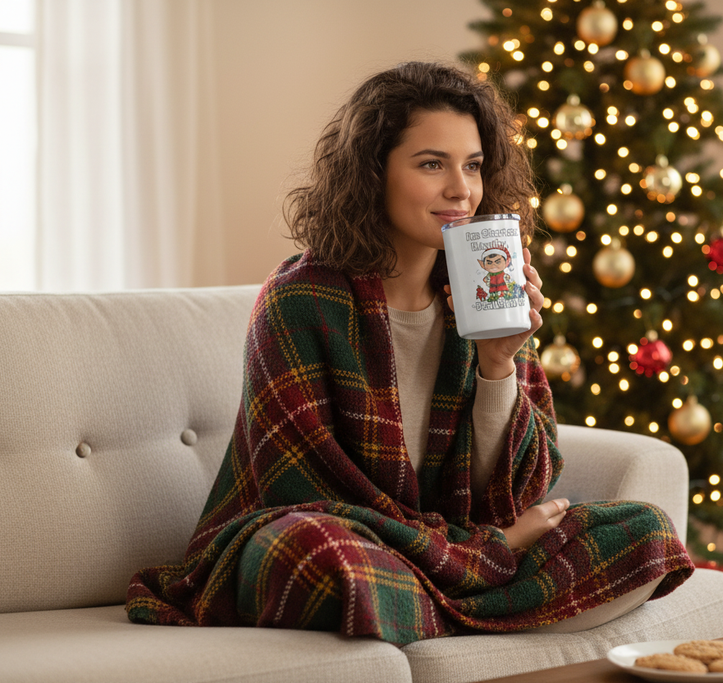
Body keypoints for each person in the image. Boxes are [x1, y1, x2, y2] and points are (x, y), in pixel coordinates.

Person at [126, 61, 693, 644]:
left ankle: (435, 606)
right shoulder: (299, 299)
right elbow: (307, 493)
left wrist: (499, 363)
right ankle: (487, 596)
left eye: (472, 165)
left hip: (434, 549)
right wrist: (495, 549)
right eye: (432, 164)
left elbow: (515, 494)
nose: (461, 190)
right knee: (319, 555)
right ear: (374, 174)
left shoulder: (482, 290)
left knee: (645, 530)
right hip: (327, 538)